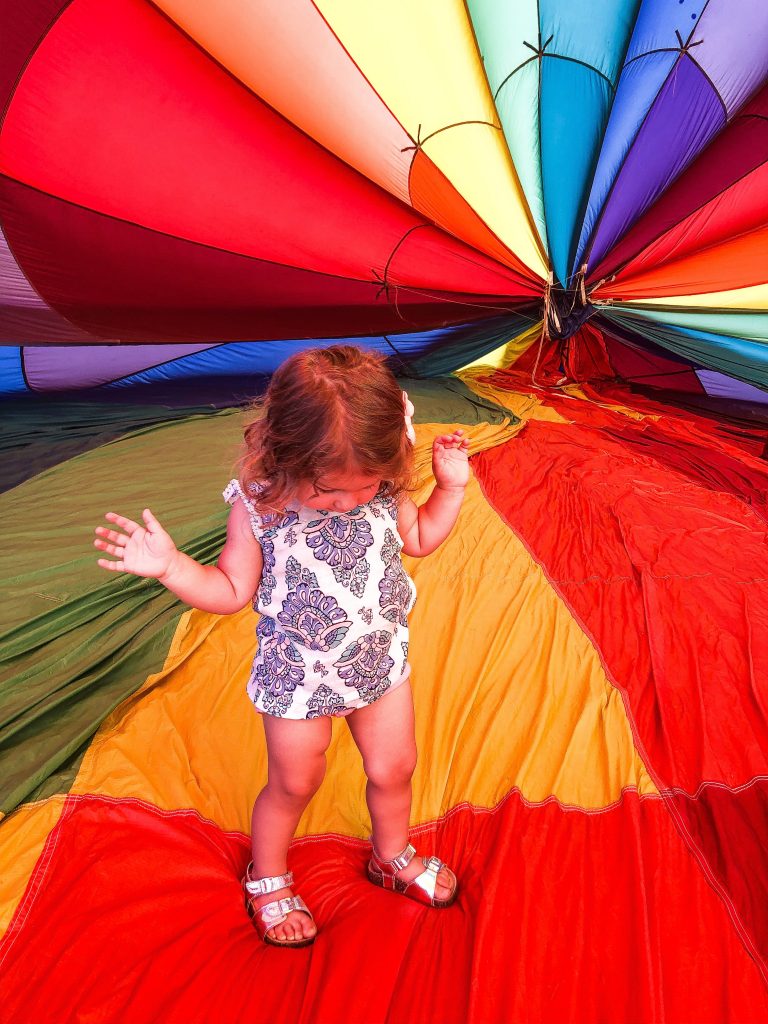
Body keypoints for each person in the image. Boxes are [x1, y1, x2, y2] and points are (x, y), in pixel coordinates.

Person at [93, 345, 470, 948]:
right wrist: (171, 566)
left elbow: (421, 537)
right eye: (326, 492)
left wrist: (449, 489)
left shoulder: (381, 482)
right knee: (295, 782)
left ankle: (391, 855)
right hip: (297, 677)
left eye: (361, 486)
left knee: (395, 768)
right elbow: (230, 589)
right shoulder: (260, 505)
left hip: (379, 664)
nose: (347, 501)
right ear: (285, 457)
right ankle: (267, 873)